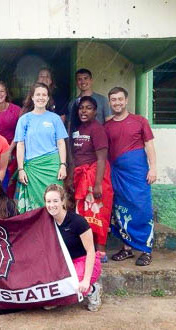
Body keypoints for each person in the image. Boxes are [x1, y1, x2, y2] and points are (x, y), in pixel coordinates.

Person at [104, 87, 157, 266]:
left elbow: (149, 145)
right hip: (117, 173)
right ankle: (127, 249)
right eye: (113, 100)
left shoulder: (140, 121)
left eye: (120, 99)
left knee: (142, 209)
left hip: (138, 172)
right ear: (109, 102)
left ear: (126, 100)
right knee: (120, 209)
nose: (117, 102)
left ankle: (145, 250)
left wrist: (153, 168)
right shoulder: (107, 126)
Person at [44, 184, 102, 312]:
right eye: (48, 201)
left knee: (74, 284)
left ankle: (92, 290)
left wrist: (86, 280)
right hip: (63, 263)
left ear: (63, 201)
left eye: (55, 201)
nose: (51, 205)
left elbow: (91, 251)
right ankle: (58, 298)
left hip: (84, 260)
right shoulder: (46, 222)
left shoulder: (77, 221)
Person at [70, 96, 114, 262]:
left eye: (88, 108)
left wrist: (97, 184)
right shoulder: (78, 129)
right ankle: (86, 248)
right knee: (83, 213)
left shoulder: (97, 129)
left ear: (95, 111)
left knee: (98, 212)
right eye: (81, 108)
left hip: (96, 175)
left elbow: (102, 158)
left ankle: (101, 250)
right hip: (81, 176)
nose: (84, 111)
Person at [15, 82, 68, 212]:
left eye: (44, 95)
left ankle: (54, 229)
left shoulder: (55, 119)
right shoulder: (24, 119)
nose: (41, 97)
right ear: (32, 97)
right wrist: (21, 169)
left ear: (48, 98)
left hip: (52, 167)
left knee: (55, 199)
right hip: (32, 169)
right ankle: (36, 230)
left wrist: (63, 165)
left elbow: (61, 143)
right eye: (37, 94)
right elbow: (20, 145)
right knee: (34, 204)